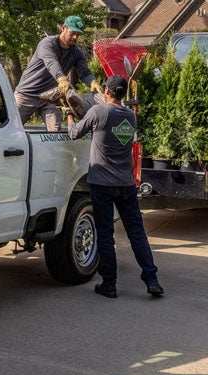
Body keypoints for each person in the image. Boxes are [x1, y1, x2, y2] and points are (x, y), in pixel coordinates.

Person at [66, 75, 163, 299]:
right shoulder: (130, 116)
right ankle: (152, 279)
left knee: (106, 234)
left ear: (107, 92)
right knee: (137, 232)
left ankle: (109, 284)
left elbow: (73, 133)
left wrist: (69, 114)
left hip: (102, 183)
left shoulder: (100, 112)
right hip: (126, 184)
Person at [15, 15, 102, 131]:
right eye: (73, 33)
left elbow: (84, 72)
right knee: (12, 129)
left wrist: (92, 81)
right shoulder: (47, 44)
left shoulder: (77, 53)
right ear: (63, 28)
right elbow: (52, 63)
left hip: (50, 97)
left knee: (55, 133)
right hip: (26, 94)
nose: (75, 37)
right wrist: (61, 79)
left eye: (78, 34)